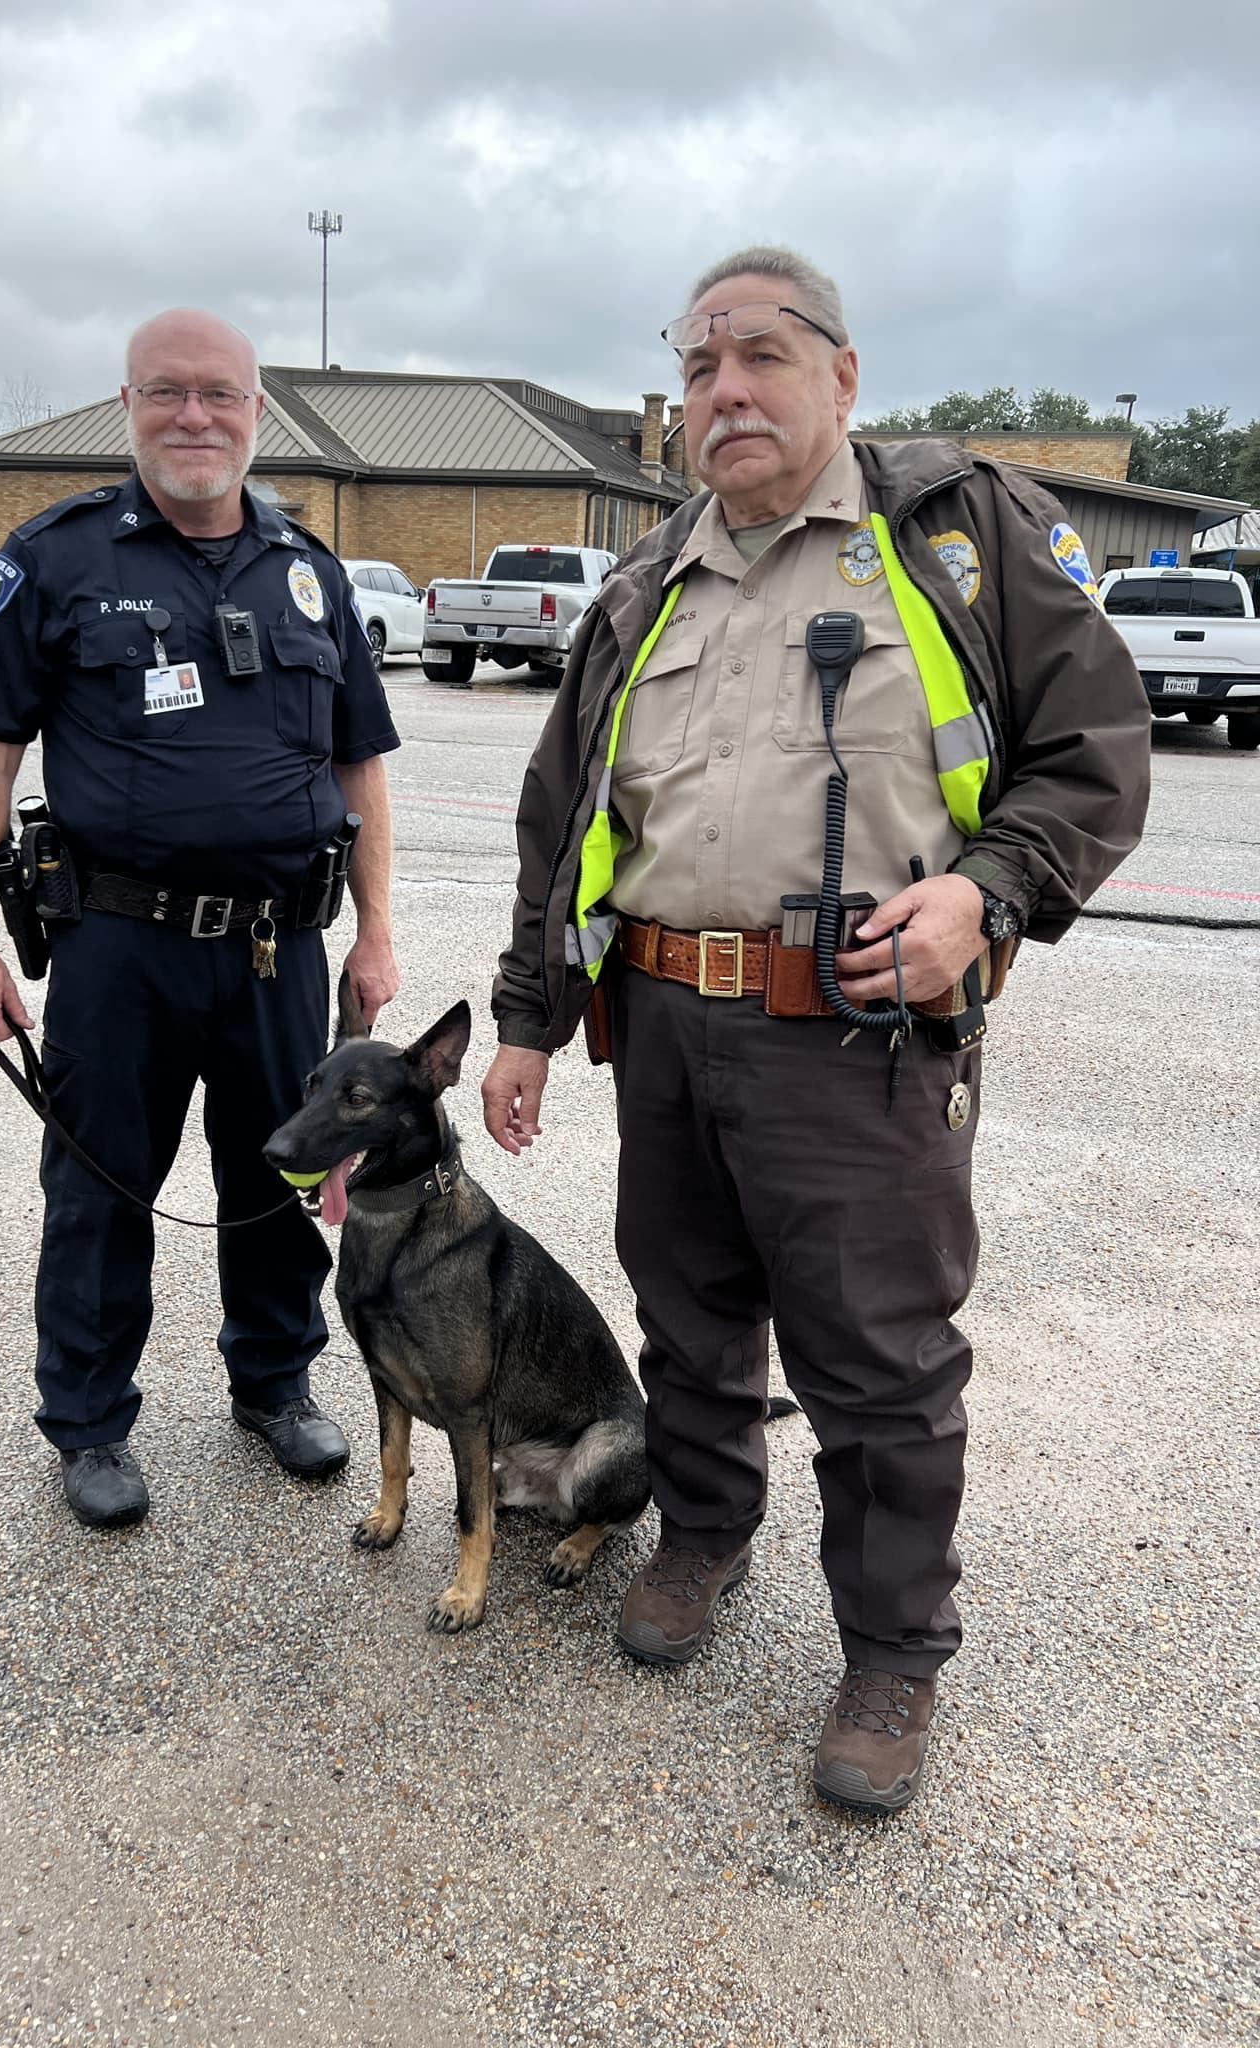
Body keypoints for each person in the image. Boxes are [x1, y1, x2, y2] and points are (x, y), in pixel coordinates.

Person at [481, 247, 1149, 1814]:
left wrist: (986, 896)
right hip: (658, 1021)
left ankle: (895, 1653)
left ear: (843, 375)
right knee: (689, 1316)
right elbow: (561, 819)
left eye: (764, 355)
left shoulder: (953, 535)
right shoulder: (647, 584)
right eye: (700, 364)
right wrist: (530, 1020)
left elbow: (1096, 756)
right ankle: (704, 1534)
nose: (728, 390)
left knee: (881, 1366)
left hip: (858, 1037)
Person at [0, 309, 401, 1528]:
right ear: (129, 404)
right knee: (100, 1187)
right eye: (167, 393)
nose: (195, 417)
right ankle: (89, 1420)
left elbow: (364, 768)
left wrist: (378, 928)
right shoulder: (54, 558)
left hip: (279, 948)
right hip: (118, 945)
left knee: (290, 1171)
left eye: (220, 395)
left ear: (258, 412)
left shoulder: (312, 567)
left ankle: (276, 1381)